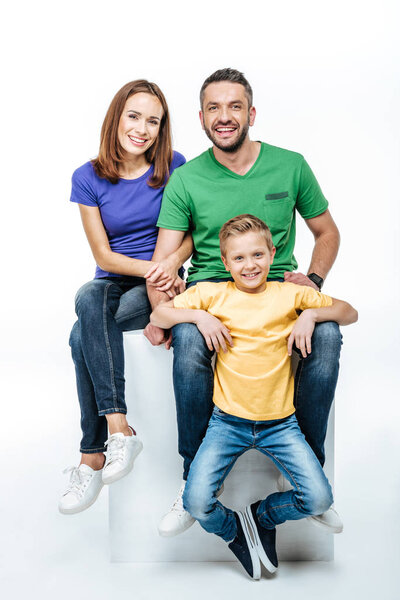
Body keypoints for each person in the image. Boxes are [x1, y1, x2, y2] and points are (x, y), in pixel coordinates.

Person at [144, 68, 343, 536]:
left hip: (278, 290)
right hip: (211, 294)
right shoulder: (187, 179)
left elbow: (326, 232)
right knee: (191, 339)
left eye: (234, 106)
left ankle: (307, 467)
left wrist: (312, 282)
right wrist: (164, 314)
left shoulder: (290, 164)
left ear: (251, 113)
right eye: (214, 108)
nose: (224, 116)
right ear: (201, 118)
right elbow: (164, 260)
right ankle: (192, 476)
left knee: (328, 333)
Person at [150, 214, 357, 579]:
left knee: (319, 499)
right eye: (240, 258)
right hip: (226, 423)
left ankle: (263, 516)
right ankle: (233, 530)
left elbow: (349, 312)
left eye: (258, 255)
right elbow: (160, 313)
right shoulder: (213, 293)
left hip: (281, 425)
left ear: (272, 254)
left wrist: (311, 314)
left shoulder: (290, 293)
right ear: (226, 262)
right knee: (197, 502)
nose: (250, 265)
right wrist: (200, 317)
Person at [59, 80, 190, 515]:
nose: (143, 128)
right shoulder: (87, 176)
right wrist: (151, 267)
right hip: (115, 280)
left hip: (160, 282)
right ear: (116, 118)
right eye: (134, 116)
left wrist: (168, 266)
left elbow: (191, 233)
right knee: (88, 296)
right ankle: (120, 428)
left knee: (82, 337)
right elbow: (103, 254)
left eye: (153, 120)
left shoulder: (174, 164)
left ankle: (91, 455)